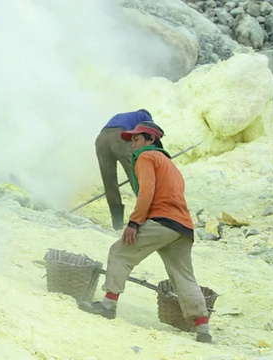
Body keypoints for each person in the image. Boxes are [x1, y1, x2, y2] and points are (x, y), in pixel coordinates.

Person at [79, 122, 212, 343]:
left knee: (120, 253)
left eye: (137, 139)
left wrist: (134, 222)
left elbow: (147, 191)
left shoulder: (146, 157)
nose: (133, 144)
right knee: (184, 275)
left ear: (150, 139)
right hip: (183, 227)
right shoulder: (168, 162)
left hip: (162, 220)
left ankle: (108, 305)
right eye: (131, 140)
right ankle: (203, 329)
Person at [95, 109, 154, 230]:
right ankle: (149, 217)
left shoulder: (123, 116)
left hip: (100, 140)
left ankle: (117, 226)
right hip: (118, 139)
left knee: (109, 183)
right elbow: (151, 135)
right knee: (136, 177)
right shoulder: (144, 116)